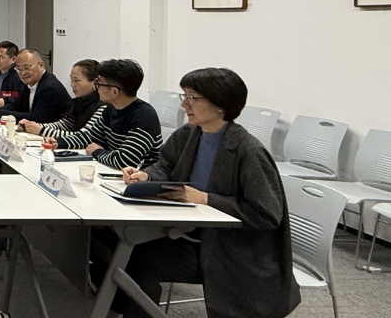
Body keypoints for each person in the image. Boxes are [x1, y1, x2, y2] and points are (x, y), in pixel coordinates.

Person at [117, 68, 299, 318]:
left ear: (221, 106)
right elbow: (165, 166)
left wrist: (205, 199)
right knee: (118, 245)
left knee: (138, 259)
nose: (184, 104)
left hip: (230, 249)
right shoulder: (189, 134)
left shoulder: (248, 151)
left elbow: (266, 214)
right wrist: (146, 176)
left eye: (192, 98)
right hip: (190, 233)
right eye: (184, 96)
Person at [43, 59, 162, 170]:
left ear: (114, 91)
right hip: (114, 172)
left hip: (140, 176)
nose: (97, 88)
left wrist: (97, 152)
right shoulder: (110, 109)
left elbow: (125, 161)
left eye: (99, 84)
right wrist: (58, 142)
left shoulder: (144, 115)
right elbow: (88, 137)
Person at [20, 59, 104, 137]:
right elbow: (65, 125)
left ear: (95, 82)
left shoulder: (102, 106)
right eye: (71, 80)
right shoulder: (79, 102)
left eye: (76, 80)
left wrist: (41, 130)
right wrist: (32, 126)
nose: (72, 85)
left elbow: (84, 137)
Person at [0, 49, 69, 124]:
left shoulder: (50, 88)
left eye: (27, 68)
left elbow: (37, 118)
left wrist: (0, 114)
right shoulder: (30, 83)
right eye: (19, 69)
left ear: (41, 65)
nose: (23, 73)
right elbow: (18, 105)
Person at [0, 41, 25, 108]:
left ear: (13, 59)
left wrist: (5, 101)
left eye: (1, 57)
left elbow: (21, 98)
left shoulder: (19, 76)